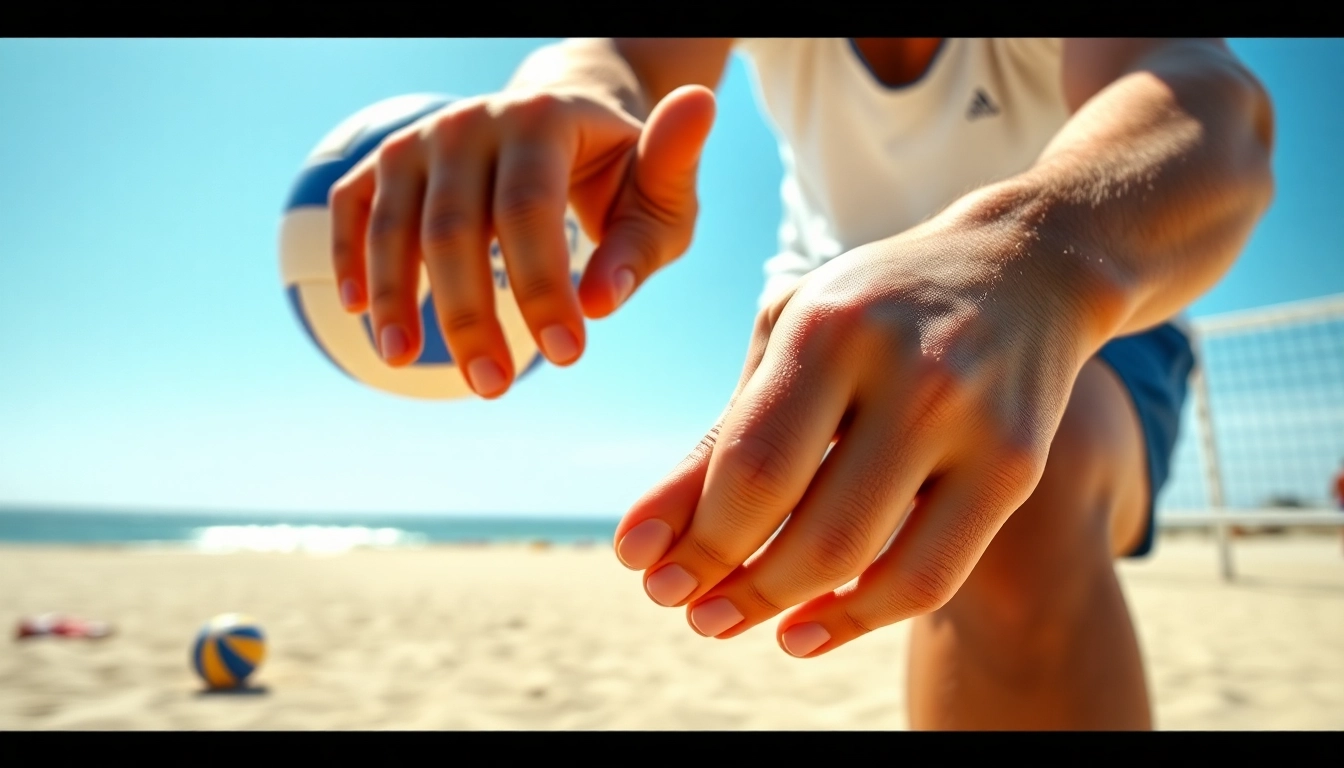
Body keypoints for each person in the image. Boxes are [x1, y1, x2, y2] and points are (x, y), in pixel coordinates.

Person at [327, 39, 1274, 730]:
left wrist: (1030, 246)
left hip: (1085, 286)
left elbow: (1212, 104)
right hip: (829, 310)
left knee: (1005, 517)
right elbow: (624, 56)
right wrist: (560, 90)